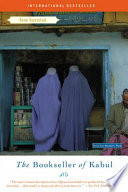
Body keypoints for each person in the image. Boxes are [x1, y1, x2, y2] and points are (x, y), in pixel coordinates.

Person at [58, 65, 95, 151]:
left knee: (69, 127)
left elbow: (62, 96)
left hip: (69, 113)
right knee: (80, 127)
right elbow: (90, 99)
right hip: (80, 113)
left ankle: (69, 145)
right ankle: (80, 146)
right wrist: (83, 108)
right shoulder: (83, 80)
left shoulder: (67, 80)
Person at [31, 67, 61, 152]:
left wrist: (35, 102)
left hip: (43, 110)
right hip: (54, 110)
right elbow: (59, 95)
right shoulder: (57, 81)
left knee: (43, 125)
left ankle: (41, 145)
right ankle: (50, 145)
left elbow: (36, 97)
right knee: (52, 126)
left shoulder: (41, 81)